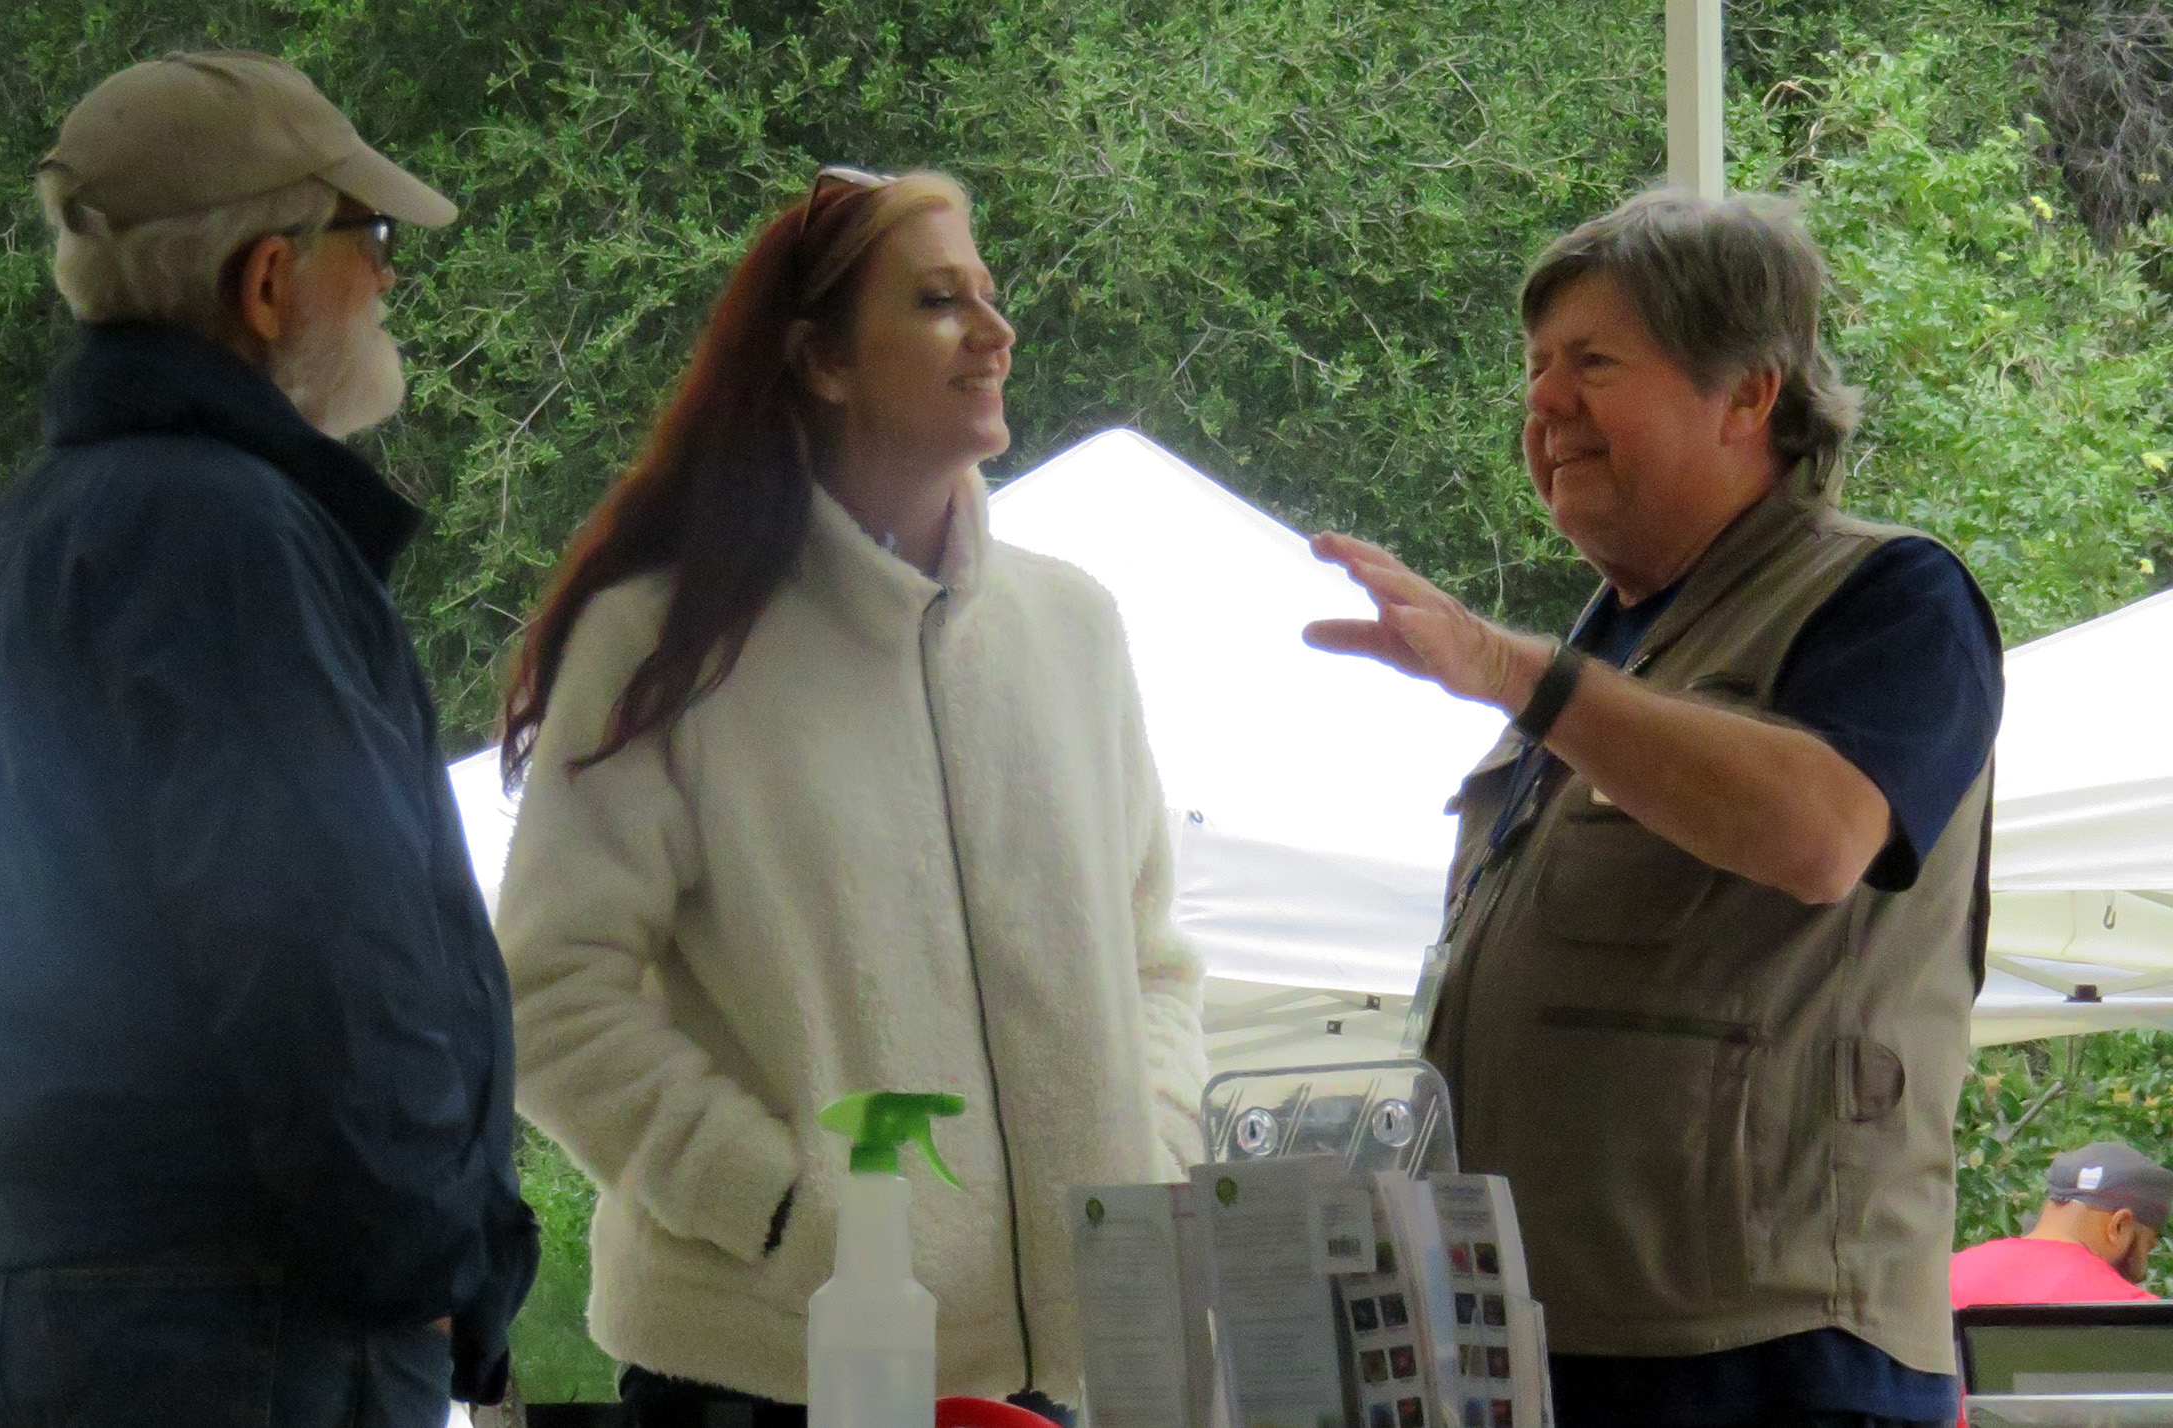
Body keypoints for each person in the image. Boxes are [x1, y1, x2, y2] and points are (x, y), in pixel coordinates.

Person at [495, 166, 1207, 1424]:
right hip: (765, 1374)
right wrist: (775, 1205)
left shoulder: (1074, 630)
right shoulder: (666, 643)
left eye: (990, 293)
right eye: (939, 301)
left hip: (1058, 1383)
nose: (995, 331)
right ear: (821, 360)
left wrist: (1146, 1161)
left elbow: (1154, 964)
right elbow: (546, 995)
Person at [0, 52, 536, 1428]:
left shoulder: (12, 546)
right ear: (268, 280)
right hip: (240, 1329)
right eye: (370, 240)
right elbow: (319, 949)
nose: (389, 280)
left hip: (66, 1310)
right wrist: (425, 1268)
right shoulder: (227, 538)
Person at [1305, 190, 2004, 1428]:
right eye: (1535, 369)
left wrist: (1515, 670)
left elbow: (1822, 835)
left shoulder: (1892, 596)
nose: (1545, 403)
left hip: (1772, 1363)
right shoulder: (1613, 648)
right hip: (1544, 1349)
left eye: (1593, 364)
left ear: (1748, 394)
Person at [1953, 1142, 2169, 1305]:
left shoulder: (1952, 1273)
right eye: (2148, 1245)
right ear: (2119, 1226)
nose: (2142, 1269)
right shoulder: (2135, 1313)